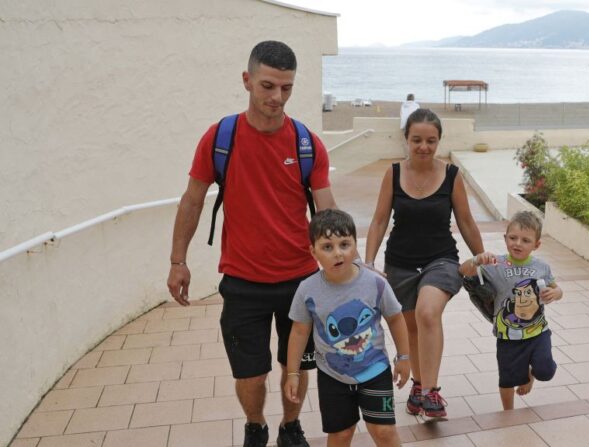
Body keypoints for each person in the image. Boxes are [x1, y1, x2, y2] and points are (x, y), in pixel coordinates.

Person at [166, 41, 336, 447]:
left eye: (287, 88)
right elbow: (192, 200)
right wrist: (177, 262)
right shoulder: (220, 138)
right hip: (242, 281)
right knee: (250, 373)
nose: (277, 97)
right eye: (268, 86)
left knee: (295, 366)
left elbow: (328, 216)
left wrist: (344, 273)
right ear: (247, 81)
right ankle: (256, 425)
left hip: (300, 280)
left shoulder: (307, 144)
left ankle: (290, 428)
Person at [364, 108, 484, 419]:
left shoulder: (451, 176)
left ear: (439, 141)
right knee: (412, 329)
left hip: (441, 259)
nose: (424, 147)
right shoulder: (392, 173)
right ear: (406, 139)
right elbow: (378, 221)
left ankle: (431, 392)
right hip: (400, 263)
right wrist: (368, 262)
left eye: (431, 140)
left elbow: (467, 222)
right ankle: (418, 386)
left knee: (428, 312)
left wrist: (482, 258)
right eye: (416, 140)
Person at [285, 209, 411, 447]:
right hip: (332, 377)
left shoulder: (375, 283)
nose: (338, 253)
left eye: (344, 244)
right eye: (327, 247)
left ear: (355, 245)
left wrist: (404, 357)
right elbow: (299, 332)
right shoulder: (307, 290)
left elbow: (395, 318)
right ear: (313, 252)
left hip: (375, 371)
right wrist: (292, 373)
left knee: (383, 432)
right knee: (341, 435)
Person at [459, 211, 563, 410]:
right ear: (505, 238)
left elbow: (557, 288)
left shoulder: (541, 266)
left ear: (536, 245)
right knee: (507, 378)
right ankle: (509, 412)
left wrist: (555, 293)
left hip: (538, 332)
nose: (518, 243)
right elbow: (462, 271)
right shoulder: (496, 264)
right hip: (507, 336)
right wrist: (477, 259)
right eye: (513, 238)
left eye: (526, 240)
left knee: (546, 371)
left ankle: (531, 374)